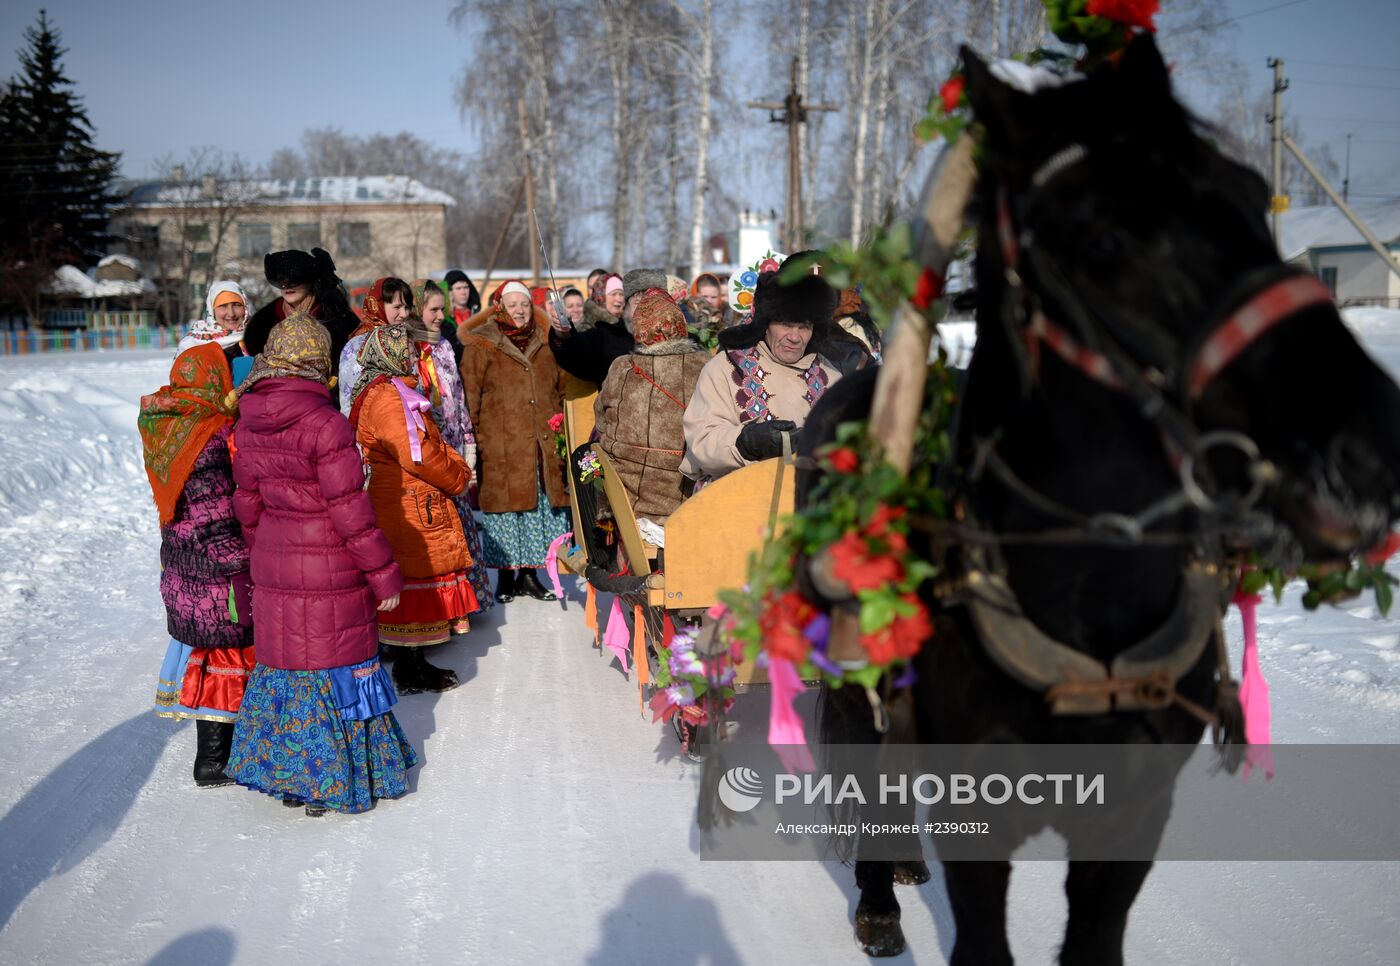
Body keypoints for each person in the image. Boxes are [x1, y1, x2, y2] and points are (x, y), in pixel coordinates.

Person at [224, 314, 415, 817]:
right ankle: (331, 780)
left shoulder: (248, 420)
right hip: (330, 559)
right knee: (334, 665)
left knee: (288, 666)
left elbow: (246, 503)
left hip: (274, 556)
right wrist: (382, 574)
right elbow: (350, 509)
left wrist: (264, 548)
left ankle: (288, 776)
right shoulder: (326, 423)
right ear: (316, 361)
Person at [139, 342, 254, 788]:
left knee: (211, 660)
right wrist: (247, 560)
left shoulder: (172, 424)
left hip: (186, 565)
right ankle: (212, 760)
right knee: (223, 664)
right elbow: (212, 515)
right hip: (212, 572)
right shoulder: (204, 434)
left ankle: (218, 754)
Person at [349, 323, 476, 694]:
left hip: (409, 499)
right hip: (407, 502)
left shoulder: (391, 390)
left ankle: (415, 663)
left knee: (415, 582)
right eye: (404, 348)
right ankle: (409, 668)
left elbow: (425, 442)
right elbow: (416, 455)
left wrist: (454, 467)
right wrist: (455, 477)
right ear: (386, 353)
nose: (411, 354)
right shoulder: (387, 397)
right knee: (413, 585)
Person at [459, 280, 570, 602]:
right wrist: (476, 442)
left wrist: (560, 424)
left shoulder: (546, 340)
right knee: (506, 510)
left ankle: (530, 576)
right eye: (512, 304)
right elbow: (470, 397)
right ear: (499, 307)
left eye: (524, 304)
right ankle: (506, 578)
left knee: (537, 508)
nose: (519, 310)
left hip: (541, 443)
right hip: (500, 442)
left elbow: (561, 389)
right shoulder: (482, 344)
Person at [680, 269, 843, 482]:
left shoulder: (832, 380)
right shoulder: (726, 368)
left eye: (804, 327)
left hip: (806, 503)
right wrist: (748, 442)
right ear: (766, 324)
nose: (794, 337)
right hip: (736, 500)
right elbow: (702, 443)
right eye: (785, 324)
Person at [410, 277, 494, 615]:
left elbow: (457, 398)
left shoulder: (443, 345)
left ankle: (466, 604)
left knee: (460, 525)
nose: (439, 315)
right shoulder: (406, 347)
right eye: (433, 310)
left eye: (442, 309)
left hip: (453, 447)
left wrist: (468, 444)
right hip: (427, 451)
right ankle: (440, 609)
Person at [594, 290, 709, 523]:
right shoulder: (705, 365)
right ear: (680, 324)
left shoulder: (622, 367)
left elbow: (601, 420)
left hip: (626, 499)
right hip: (688, 498)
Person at [242, 247, 360, 376]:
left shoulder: (337, 318)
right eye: (281, 279)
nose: (286, 285)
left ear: (310, 281)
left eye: (295, 279)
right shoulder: (262, 323)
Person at [550, 268, 666, 387]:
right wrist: (563, 335)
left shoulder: (672, 334)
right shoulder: (606, 335)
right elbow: (578, 352)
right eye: (613, 294)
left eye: (621, 294)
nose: (618, 299)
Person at [337, 276, 413, 409]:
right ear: (378, 305)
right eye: (397, 307)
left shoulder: (407, 339)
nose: (404, 314)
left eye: (407, 307)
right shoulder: (358, 345)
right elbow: (349, 398)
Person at [178, 281, 251, 357]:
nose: (231, 314)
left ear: (245, 307)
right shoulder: (191, 344)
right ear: (212, 311)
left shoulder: (259, 336)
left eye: (237, 305)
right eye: (223, 306)